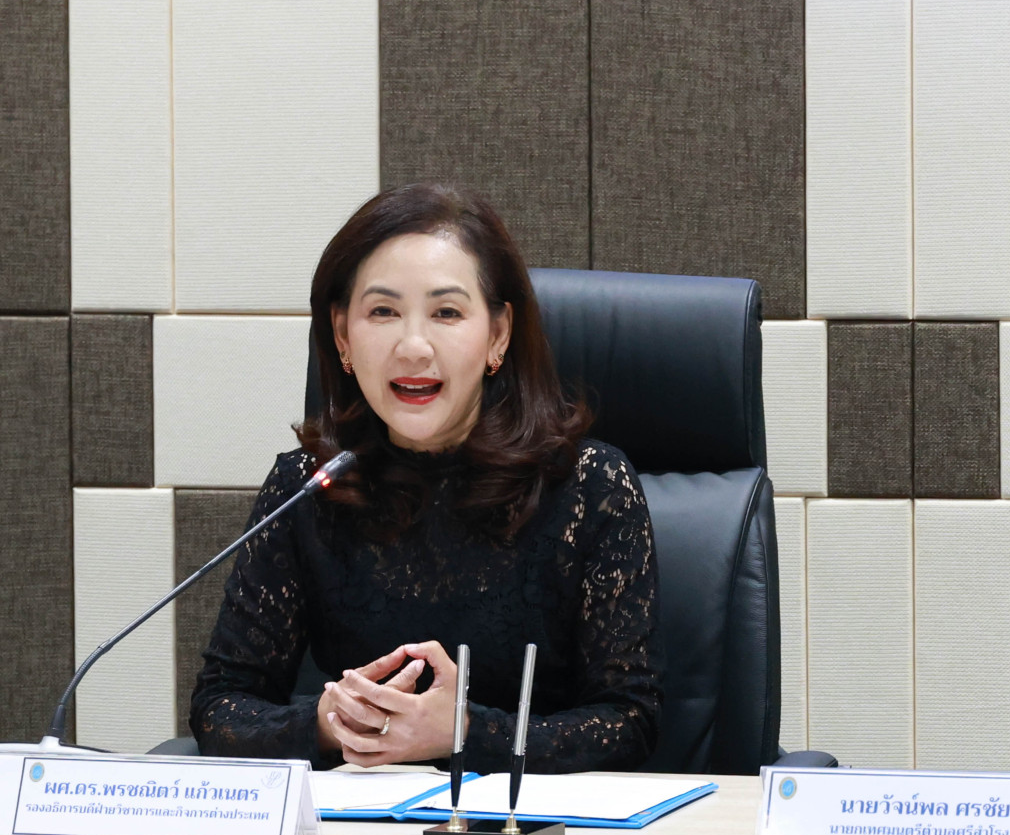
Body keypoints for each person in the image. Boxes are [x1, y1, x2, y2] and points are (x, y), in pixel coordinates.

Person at [190, 183, 659, 773]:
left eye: (447, 313)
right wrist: (327, 722)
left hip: (532, 824)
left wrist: (464, 732)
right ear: (342, 335)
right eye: (383, 312)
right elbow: (220, 707)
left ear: (498, 334)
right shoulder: (308, 488)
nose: (413, 347)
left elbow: (630, 723)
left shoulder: (590, 488)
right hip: (356, 821)